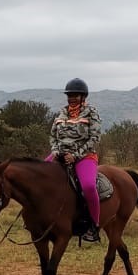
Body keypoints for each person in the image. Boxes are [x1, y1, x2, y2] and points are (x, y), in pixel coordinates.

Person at [47, 77, 103, 243]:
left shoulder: (91, 113)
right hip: (60, 155)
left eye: (75, 95)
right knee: (37, 177)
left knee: (89, 186)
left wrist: (76, 155)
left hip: (84, 156)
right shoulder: (61, 113)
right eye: (69, 95)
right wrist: (56, 151)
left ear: (83, 96)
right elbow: (52, 136)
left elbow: (94, 138)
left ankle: (94, 225)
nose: (72, 98)